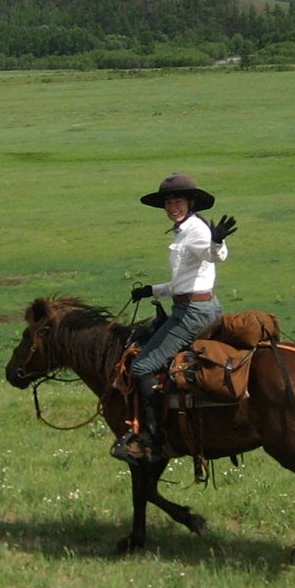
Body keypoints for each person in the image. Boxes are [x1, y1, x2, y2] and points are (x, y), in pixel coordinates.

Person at [111, 173, 237, 464]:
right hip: (200, 304)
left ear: (190, 202)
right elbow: (184, 282)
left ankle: (153, 439)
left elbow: (212, 255)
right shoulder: (185, 230)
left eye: (178, 201)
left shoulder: (196, 230)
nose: (172, 207)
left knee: (143, 365)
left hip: (192, 313)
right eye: (168, 202)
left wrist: (217, 243)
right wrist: (151, 290)